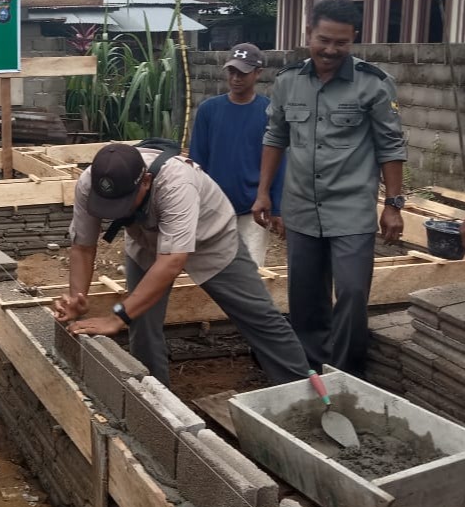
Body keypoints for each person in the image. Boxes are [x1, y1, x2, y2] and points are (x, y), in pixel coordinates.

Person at [54, 143, 310, 388]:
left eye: (122, 204)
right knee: (140, 321)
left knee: (259, 315)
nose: (116, 213)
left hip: (211, 238)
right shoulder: (91, 182)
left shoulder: (176, 182)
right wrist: (78, 298)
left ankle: (299, 393)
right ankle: (153, 401)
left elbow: (173, 261)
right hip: (147, 241)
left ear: (145, 182)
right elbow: (83, 247)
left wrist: (116, 316)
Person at [253, 0, 406, 377]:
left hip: (351, 208)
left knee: (352, 293)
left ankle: (348, 374)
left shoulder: (373, 84)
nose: (331, 50)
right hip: (301, 207)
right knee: (305, 298)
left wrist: (394, 204)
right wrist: (264, 193)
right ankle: (310, 370)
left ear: (354, 40)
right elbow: (275, 137)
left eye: (342, 42)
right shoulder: (289, 82)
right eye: (324, 39)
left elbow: (391, 145)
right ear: (308, 34)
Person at [189, 42, 285, 267]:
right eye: (232, 71)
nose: (236, 78)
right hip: (214, 208)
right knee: (215, 270)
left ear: (257, 73)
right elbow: (196, 162)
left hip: (253, 210)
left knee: (252, 271)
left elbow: (280, 164)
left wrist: (277, 207)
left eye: (243, 72)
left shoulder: (269, 113)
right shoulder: (208, 111)